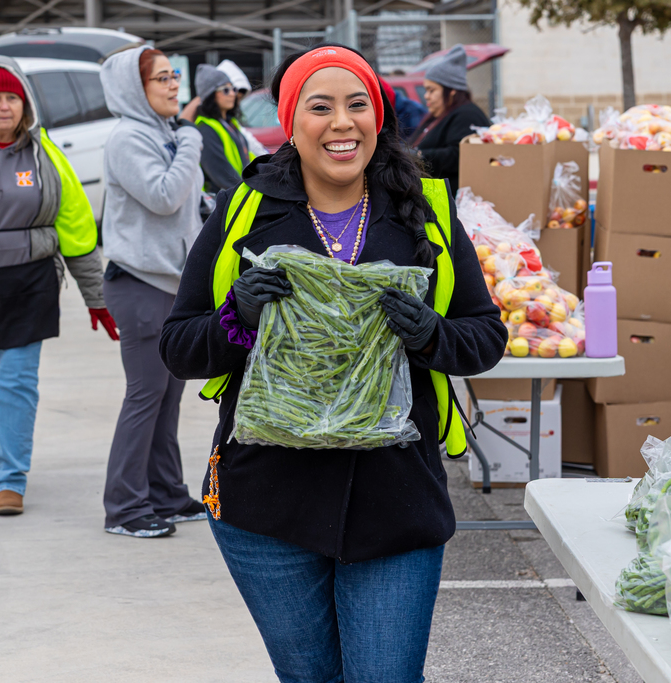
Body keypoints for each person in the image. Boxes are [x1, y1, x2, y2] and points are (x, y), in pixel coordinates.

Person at [159, 45, 507, 681]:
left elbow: (485, 337)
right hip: (268, 504)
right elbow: (179, 346)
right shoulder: (248, 212)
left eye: (358, 105)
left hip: (395, 501)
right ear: (292, 122)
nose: (342, 123)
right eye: (320, 107)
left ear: (379, 117)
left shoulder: (423, 212)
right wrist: (237, 317)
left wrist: (430, 335)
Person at [0, 56, 114, 516]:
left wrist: (97, 298)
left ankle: (10, 478)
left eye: (12, 97)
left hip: (30, 282)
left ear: (24, 105)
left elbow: (74, 226)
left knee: (16, 381)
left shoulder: (45, 155)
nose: (4, 106)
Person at [99, 47, 206, 538]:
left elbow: (186, 202)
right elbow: (163, 197)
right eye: (161, 78)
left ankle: (166, 493)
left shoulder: (164, 132)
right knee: (145, 396)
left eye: (173, 75)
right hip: (141, 284)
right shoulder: (128, 137)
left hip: (171, 283)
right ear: (133, 88)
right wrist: (191, 142)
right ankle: (124, 507)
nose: (172, 85)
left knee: (167, 398)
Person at [409, 44, 491, 194]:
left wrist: (420, 155)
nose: (426, 96)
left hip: (453, 201)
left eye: (431, 90)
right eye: (426, 90)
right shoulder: (439, 115)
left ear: (451, 90)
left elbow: (460, 155)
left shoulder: (467, 115)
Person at [193, 63, 254, 194]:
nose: (233, 94)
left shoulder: (230, 123)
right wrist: (249, 194)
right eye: (225, 90)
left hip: (237, 197)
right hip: (220, 205)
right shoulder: (205, 130)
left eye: (233, 88)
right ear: (210, 95)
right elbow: (222, 175)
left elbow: (248, 158)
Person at [217, 59, 270, 156]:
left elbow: (253, 146)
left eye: (239, 98)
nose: (233, 100)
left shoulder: (230, 122)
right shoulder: (210, 124)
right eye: (227, 91)